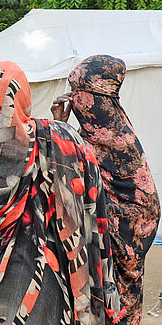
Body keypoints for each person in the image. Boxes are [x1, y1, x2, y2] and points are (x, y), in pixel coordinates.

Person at [0, 61, 125, 324]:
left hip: (19, 291)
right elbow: (92, 205)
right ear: (24, 94)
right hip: (74, 278)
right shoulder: (65, 137)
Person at [51, 54, 161, 325]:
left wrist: (61, 129)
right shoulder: (90, 133)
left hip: (126, 238)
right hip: (111, 245)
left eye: (78, 92)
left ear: (96, 97)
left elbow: (143, 206)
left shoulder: (111, 138)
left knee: (119, 310)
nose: (72, 99)